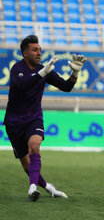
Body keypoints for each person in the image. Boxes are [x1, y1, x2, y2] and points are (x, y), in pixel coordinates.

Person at [3, 35, 87, 202]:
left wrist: (75, 72)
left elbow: (66, 86)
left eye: (40, 49)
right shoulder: (16, 69)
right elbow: (23, 85)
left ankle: (32, 188)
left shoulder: (44, 69)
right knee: (27, 166)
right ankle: (49, 188)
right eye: (35, 50)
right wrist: (43, 72)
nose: (39, 52)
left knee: (35, 144)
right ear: (25, 53)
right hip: (13, 123)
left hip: (33, 118)